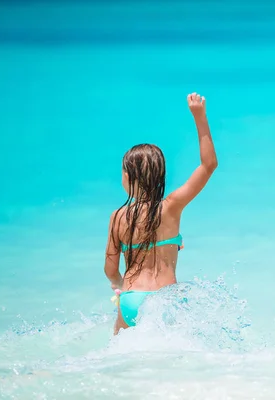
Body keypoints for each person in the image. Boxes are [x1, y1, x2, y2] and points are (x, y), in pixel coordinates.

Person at [104, 92, 217, 334]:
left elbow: (110, 269)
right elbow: (209, 166)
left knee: (120, 363)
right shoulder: (171, 206)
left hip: (130, 300)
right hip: (165, 301)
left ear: (127, 176)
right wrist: (200, 117)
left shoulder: (118, 216)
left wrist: (119, 286)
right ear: (160, 177)